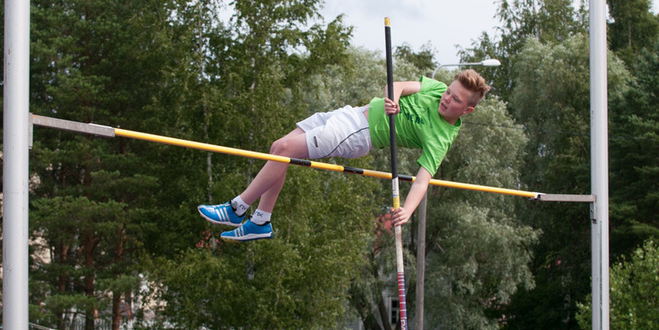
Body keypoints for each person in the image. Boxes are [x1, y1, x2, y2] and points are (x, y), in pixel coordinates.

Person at [198, 70, 491, 242]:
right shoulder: (437, 88)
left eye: (455, 99)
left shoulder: (442, 137)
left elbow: (423, 179)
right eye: (449, 92)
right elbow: (398, 86)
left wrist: (408, 210)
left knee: (285, 152)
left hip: (359, 133)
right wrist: (393, 99)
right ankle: (261, 221)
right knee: (279, 148)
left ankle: (238, 207)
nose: (446, 98)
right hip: (352, 114)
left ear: (467, 110)